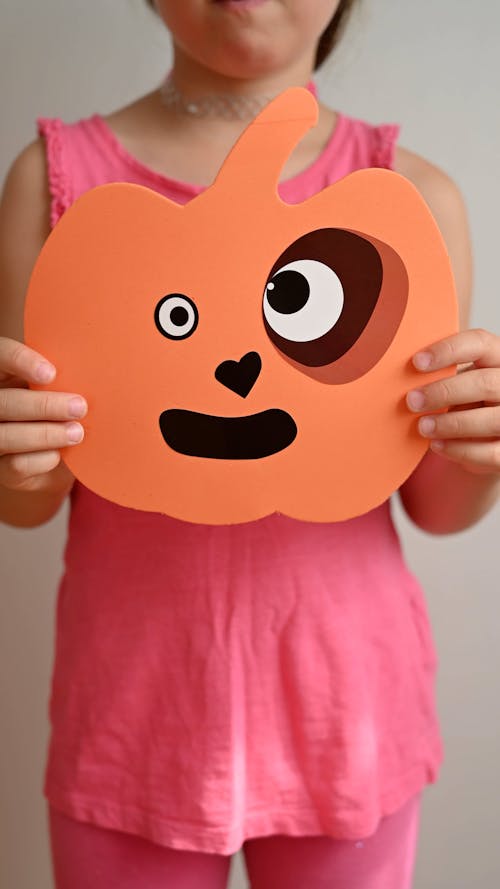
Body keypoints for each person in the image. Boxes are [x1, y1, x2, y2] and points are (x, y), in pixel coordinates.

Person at [1, 1, 499, 887]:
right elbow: (28, 495)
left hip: (345, 717)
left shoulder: (416, 201)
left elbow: (435, 505)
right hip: (132, 715)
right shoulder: (52, 182)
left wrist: (483, 447)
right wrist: (16, 452)